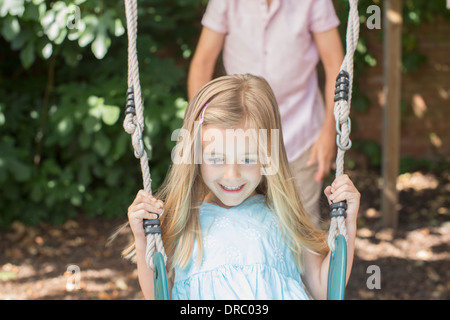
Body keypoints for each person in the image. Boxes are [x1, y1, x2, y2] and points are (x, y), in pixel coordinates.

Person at [126, 74, 360, 300]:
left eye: (248, 159)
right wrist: (142, 237)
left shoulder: (282, 217)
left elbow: (326, 290)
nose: (232, 175)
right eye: (216, 159)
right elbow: (159, 295)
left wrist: (347, 222)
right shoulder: (184, 221)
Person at [187, 0, 345, 225]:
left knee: (301, 229)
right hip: (238, 144)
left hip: (300, 135)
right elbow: (202, 63)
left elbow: (335, 66)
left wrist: (329, 131)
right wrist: (201, 130)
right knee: (237, 225)